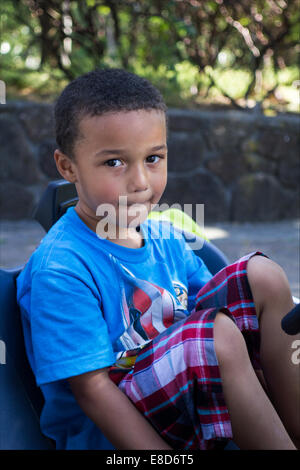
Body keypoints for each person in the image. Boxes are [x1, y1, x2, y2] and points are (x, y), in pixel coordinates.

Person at [17, 68, 299, 451]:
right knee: (215, 335)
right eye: (115, 163)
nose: (140, 183)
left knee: (264, 276)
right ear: (68, 167)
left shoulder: (164, 236)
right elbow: (93, 391)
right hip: (117, 434)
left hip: (185, 396)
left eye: (153, 158)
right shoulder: (62, 267)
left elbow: (217, 311)